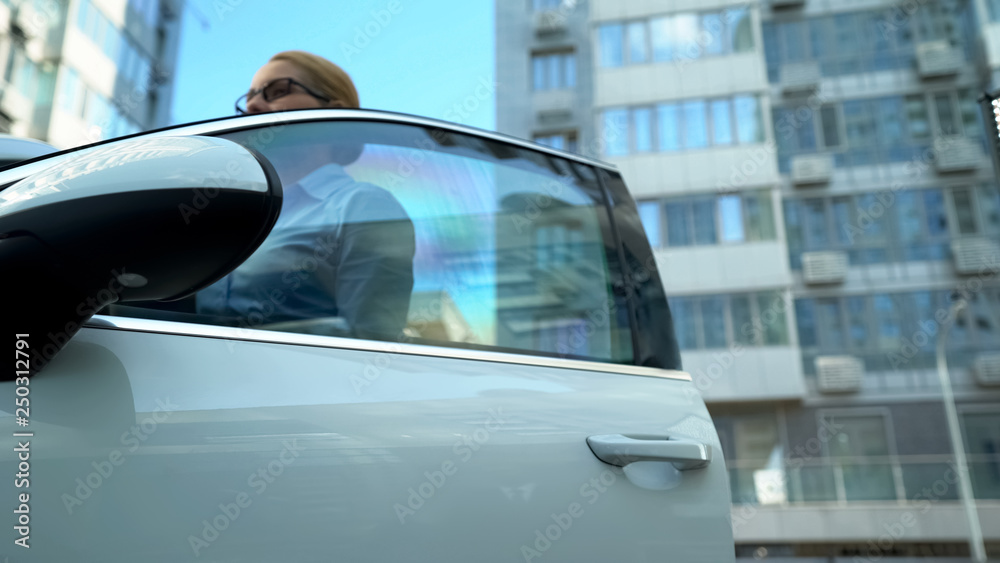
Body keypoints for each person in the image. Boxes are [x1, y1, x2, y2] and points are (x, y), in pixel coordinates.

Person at [196, 51, 416, 341]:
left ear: (332, 114)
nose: (253, 106)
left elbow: (372, 343)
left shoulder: (362, 205)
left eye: (277, 92)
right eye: (247, 102)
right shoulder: (232, 216)